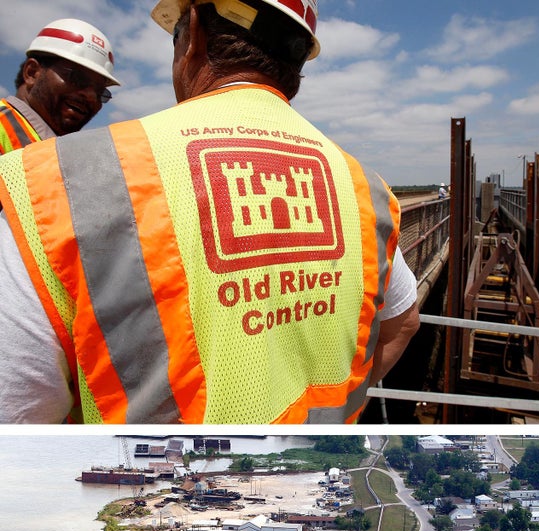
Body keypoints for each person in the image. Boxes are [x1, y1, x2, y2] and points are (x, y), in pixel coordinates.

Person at [0, 0, 419, 423]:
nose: (90, 98)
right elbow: (403, 322)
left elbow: (14, 413)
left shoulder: (53, 183)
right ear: (297, 62)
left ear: (194, 32)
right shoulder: (365, 187)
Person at [1, 19, 120, 153]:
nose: (91, 96)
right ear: (32, 72)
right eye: (77, 78)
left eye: (100, 92)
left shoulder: (53, 148)